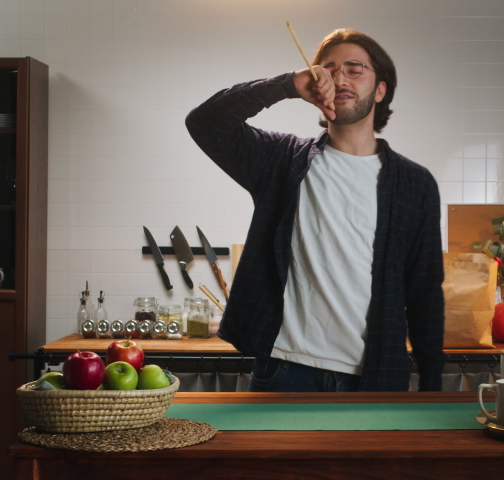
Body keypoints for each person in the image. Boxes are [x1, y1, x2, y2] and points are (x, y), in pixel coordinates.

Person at [185, 28, 444, 392]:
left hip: (374, 379)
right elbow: (205, 123)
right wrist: (287, 85)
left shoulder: (415, 184)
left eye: (354, 69)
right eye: (328, 69)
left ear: (380, 89)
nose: (339, 79)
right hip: (284, 370)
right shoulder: (281, 161)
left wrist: (432, 385)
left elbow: (425, 291)